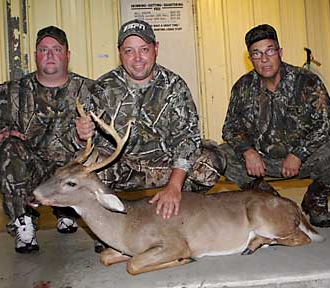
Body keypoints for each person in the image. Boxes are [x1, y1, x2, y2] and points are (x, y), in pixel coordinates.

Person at [76, 19, 225, 223]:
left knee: (211, 163)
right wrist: (84, 134)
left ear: (155, 49)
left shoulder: (174, 86)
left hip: (166, 167)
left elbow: (187, 139)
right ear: (120, 53)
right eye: (129, 51)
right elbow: (88, 138)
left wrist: (174, 185)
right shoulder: (102, 88)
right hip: (124, 169)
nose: (137, 58)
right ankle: (110, 224)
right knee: (85, 167)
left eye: (144, 49)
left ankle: (182, 206)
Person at [0, 26, 103, 253]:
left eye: (56, 49)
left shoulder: (89, 90)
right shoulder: (15, 90)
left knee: (99, 155)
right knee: (8, 148)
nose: (50, 55)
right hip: (34, 170)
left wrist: (89, 134)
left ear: (67, 55)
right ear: (36, 54)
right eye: (43, 49)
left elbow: (107, 130)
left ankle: (75, 214)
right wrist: (4, 130)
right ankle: (24, 222)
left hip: (72, 169)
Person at [220, 24, 330, 228]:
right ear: (250, 59)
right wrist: (248, 151)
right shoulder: (243, 87)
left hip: (303, 160)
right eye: (257, 54)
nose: (264, 59)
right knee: (221, 154)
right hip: (262, 162)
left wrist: (299, 153)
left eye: (270, 51)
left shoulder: (306, 81)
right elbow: (230, 127)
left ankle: (316, 200)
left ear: (280, 52)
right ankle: (270, 201)